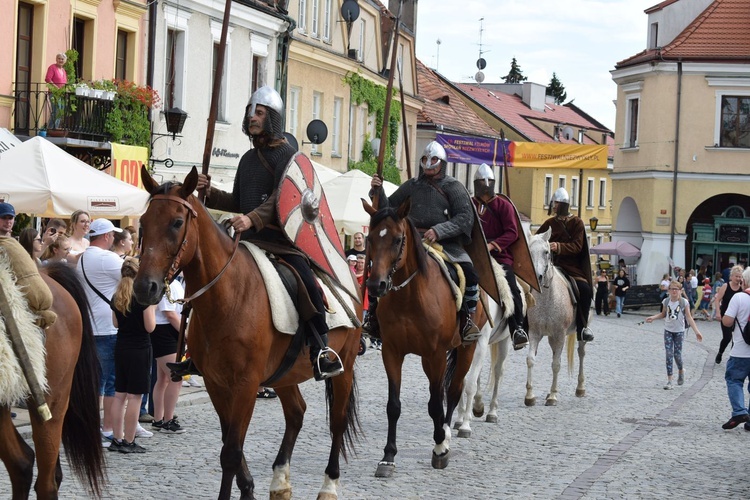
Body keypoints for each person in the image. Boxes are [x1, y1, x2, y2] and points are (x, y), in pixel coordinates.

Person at [193, 85, 342, 381]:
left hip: (280, 240)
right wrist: (209, 193)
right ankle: (196, 350)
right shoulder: (248, 159)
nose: (253, 117)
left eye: (259, 112)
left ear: (272, 117)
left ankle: (321, 349)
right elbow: (237, 200)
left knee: (306, 285)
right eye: (251, 111)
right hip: (247, 242)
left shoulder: (288, 154)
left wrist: (253, 219)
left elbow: (282, 197)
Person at [367, 140, 482, 343]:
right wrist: (378, 190)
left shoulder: (453, 187)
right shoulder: (412, 186)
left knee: (469, 272)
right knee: (382, 268)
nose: (429, 163)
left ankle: (467, 321)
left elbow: (465, 217)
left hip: (445, 244)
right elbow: (388, 210)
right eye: (425, 159)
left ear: (442, 163)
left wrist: (439, 230)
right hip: (411, 241)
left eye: (434, 160)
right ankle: (374, 317)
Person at [75, 218, 124, 447]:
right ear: (106, 236)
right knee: (109, 382)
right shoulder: (109, 258)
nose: (113, 239)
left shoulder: (83, 257)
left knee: (95, 381)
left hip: (89, 325)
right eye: (112, 235)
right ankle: (106, 429)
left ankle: (94, 427)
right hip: (108, 327)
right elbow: (131, 279)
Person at [471, 163, 528, 350]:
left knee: (511, 288)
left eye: (486, 182)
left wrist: (492, 245)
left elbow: (512, 232)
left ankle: (517, 328)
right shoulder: (471, 204)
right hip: (473, 256)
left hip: (500, 257)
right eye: (481, 182)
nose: (484, 185)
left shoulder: (503, 205)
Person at [109, 257, 156, 453]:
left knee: (119, 395)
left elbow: (115, 324)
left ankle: (117, 438)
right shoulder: (142, 298)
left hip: (121, 347)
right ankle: (129, 440)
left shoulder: (117, 296)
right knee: (135, 397)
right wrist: (151, 307)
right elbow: (150, 327)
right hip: (139, 349)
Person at [536, 188, 595, 342]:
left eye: (556, 203)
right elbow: (538, 240)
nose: (554, 206)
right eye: (553, 203)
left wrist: (559, 246)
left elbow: (577, 246)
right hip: (552, 265)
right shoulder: (549, 223)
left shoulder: (577, 223)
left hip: (572, 268)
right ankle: (525, 323)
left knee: (585, 289)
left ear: (563, 204)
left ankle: (583, 328)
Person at [645, 280, 703, 390]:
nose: (674, 291)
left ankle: (681, 370)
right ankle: (669, 380)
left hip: (679, 332)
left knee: (677, 355)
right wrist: (653, 317)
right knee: (669, 354)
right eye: (672, 289)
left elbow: (689, 317)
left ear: (680, 290)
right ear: (669, 291)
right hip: (668, 330)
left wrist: (697, 332)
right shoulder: (666, 301)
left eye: (676, 289)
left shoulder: (684, 302)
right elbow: (663, 314)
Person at [150, 278, 185, 434]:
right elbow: (169, 313)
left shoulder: (173, 282)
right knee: (176, 378)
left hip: (166, 330)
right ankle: (167, 421)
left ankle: (159, 419)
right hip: (165, 330)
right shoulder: (166, 283)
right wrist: (186, 333)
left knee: (163, 379)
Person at [719, 266, 750, 430]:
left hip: (741, 350)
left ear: (744, 280)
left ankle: (739, 411)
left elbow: (727, 322)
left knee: (734, 380)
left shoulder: (739, 297)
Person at [714, 265, 744, 364]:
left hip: (737, 318)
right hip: (725, 316)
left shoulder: (741, 288)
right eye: (736, 276)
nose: (738, 279)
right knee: (727, 337)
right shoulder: (725, 286)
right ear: (731, 276)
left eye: (740, 277)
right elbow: (717, 299)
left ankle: (732, 358)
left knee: (736, 339)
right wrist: (718, 313)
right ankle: (720, 352)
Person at [45, 53, 67, 129]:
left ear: (65, 61)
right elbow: (48, 79)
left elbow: (64, 82)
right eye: (59, 58)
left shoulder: (63, 70)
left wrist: (64, 90)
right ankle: (51, 129)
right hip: (53, 93)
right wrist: (56, 88)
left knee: (60, 111)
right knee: (56, 110)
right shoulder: (52, 67)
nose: (60, 60)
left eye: (62, 59)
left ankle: (55, 128)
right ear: (56, 59)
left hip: (61, 94)